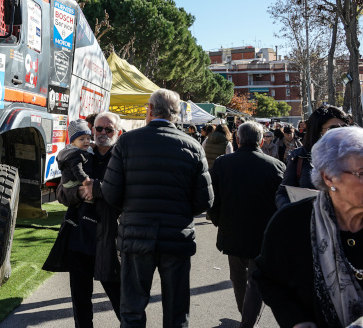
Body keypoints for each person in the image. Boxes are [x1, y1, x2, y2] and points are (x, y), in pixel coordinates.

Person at [101, 88, 214, 327]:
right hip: (176, 236)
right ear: (175, 114)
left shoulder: (127, 141)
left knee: (132, 309)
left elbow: (110, 192)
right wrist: (179, 213)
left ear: (150, 110)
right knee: (176, 312)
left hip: (136, 235)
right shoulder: (193, 146)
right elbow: (204, 200)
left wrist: (132, 210)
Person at [255, 126, 363, 327]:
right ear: (328, 177)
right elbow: (267, 278)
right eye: (361, 173)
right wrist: (296, 320)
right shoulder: (291, 223)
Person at [208, 122, 285, 328]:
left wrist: (218, 221)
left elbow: (212, 199)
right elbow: (281, 204)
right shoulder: (276, 166)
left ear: (238, 139)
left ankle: (246, 317)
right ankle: (248, 321)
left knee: (238, 278)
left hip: (232, 229)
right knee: (255, 279)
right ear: (261, 141)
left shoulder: (223, 164)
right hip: (263, 233)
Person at [56, 112, 122, 327]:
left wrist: (97, 189)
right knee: (80, 301)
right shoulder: (81, 155)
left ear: (117, 133)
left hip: (109, 240)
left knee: (121, 300)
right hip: (79, 237)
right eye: (99, 128)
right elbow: (60, 193)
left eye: (108, 129)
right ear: (92, 130)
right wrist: (78, 194)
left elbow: (126, 193)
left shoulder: (123, 158)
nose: (103, 133)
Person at [275, 105, 350, 208]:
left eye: (344, 128)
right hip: (310, 221)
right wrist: (294, 212)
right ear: (317, 130)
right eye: (333, 129)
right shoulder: (300, 157)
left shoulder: (355, 157)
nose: (340, 133)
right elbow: (283, 193)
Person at [56, 119, 94, 196]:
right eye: (82, 139)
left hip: (72, 180)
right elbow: (77, 169)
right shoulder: (75, 154)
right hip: (72, 181)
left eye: (88, 138)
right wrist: (84, 179)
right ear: (73, 142)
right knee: (90, 192)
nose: (86, 141)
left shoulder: (80, 150)